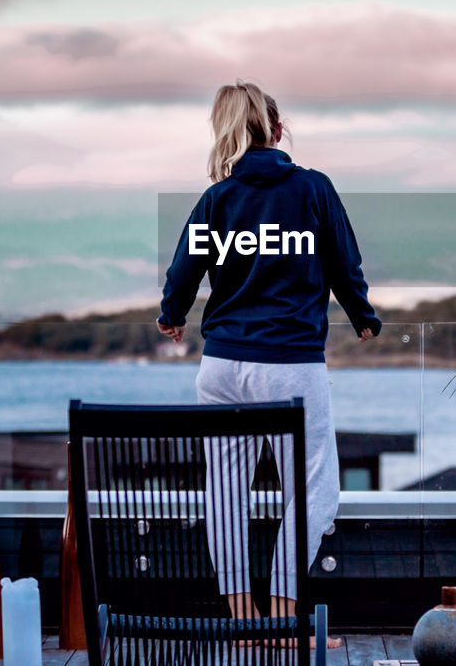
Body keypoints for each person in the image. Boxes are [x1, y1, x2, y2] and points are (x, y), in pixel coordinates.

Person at [157, 79, 381, 649]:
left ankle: (244, 621)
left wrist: (172, 314)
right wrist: (362, 315)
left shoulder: (217, 198)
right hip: (289, 366)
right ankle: (282, 618)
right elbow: (342, 261)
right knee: (314, 486)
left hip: (222, 366)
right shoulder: (312, 190)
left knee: (226, 494)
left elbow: (185, 269)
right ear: (278, 131)